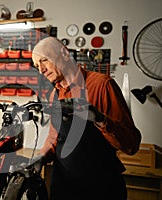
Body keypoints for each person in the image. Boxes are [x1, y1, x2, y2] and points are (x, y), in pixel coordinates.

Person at [32, 37, 142, 200]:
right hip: (64, 187)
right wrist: (41, 156)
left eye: (44, 60)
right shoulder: (54, 94)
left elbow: (131, 144)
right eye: (36, 66)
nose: (41, 70)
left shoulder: (102, 85)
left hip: (100, 187)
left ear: (64, 53)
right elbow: (55, 138)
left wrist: (101, 119)